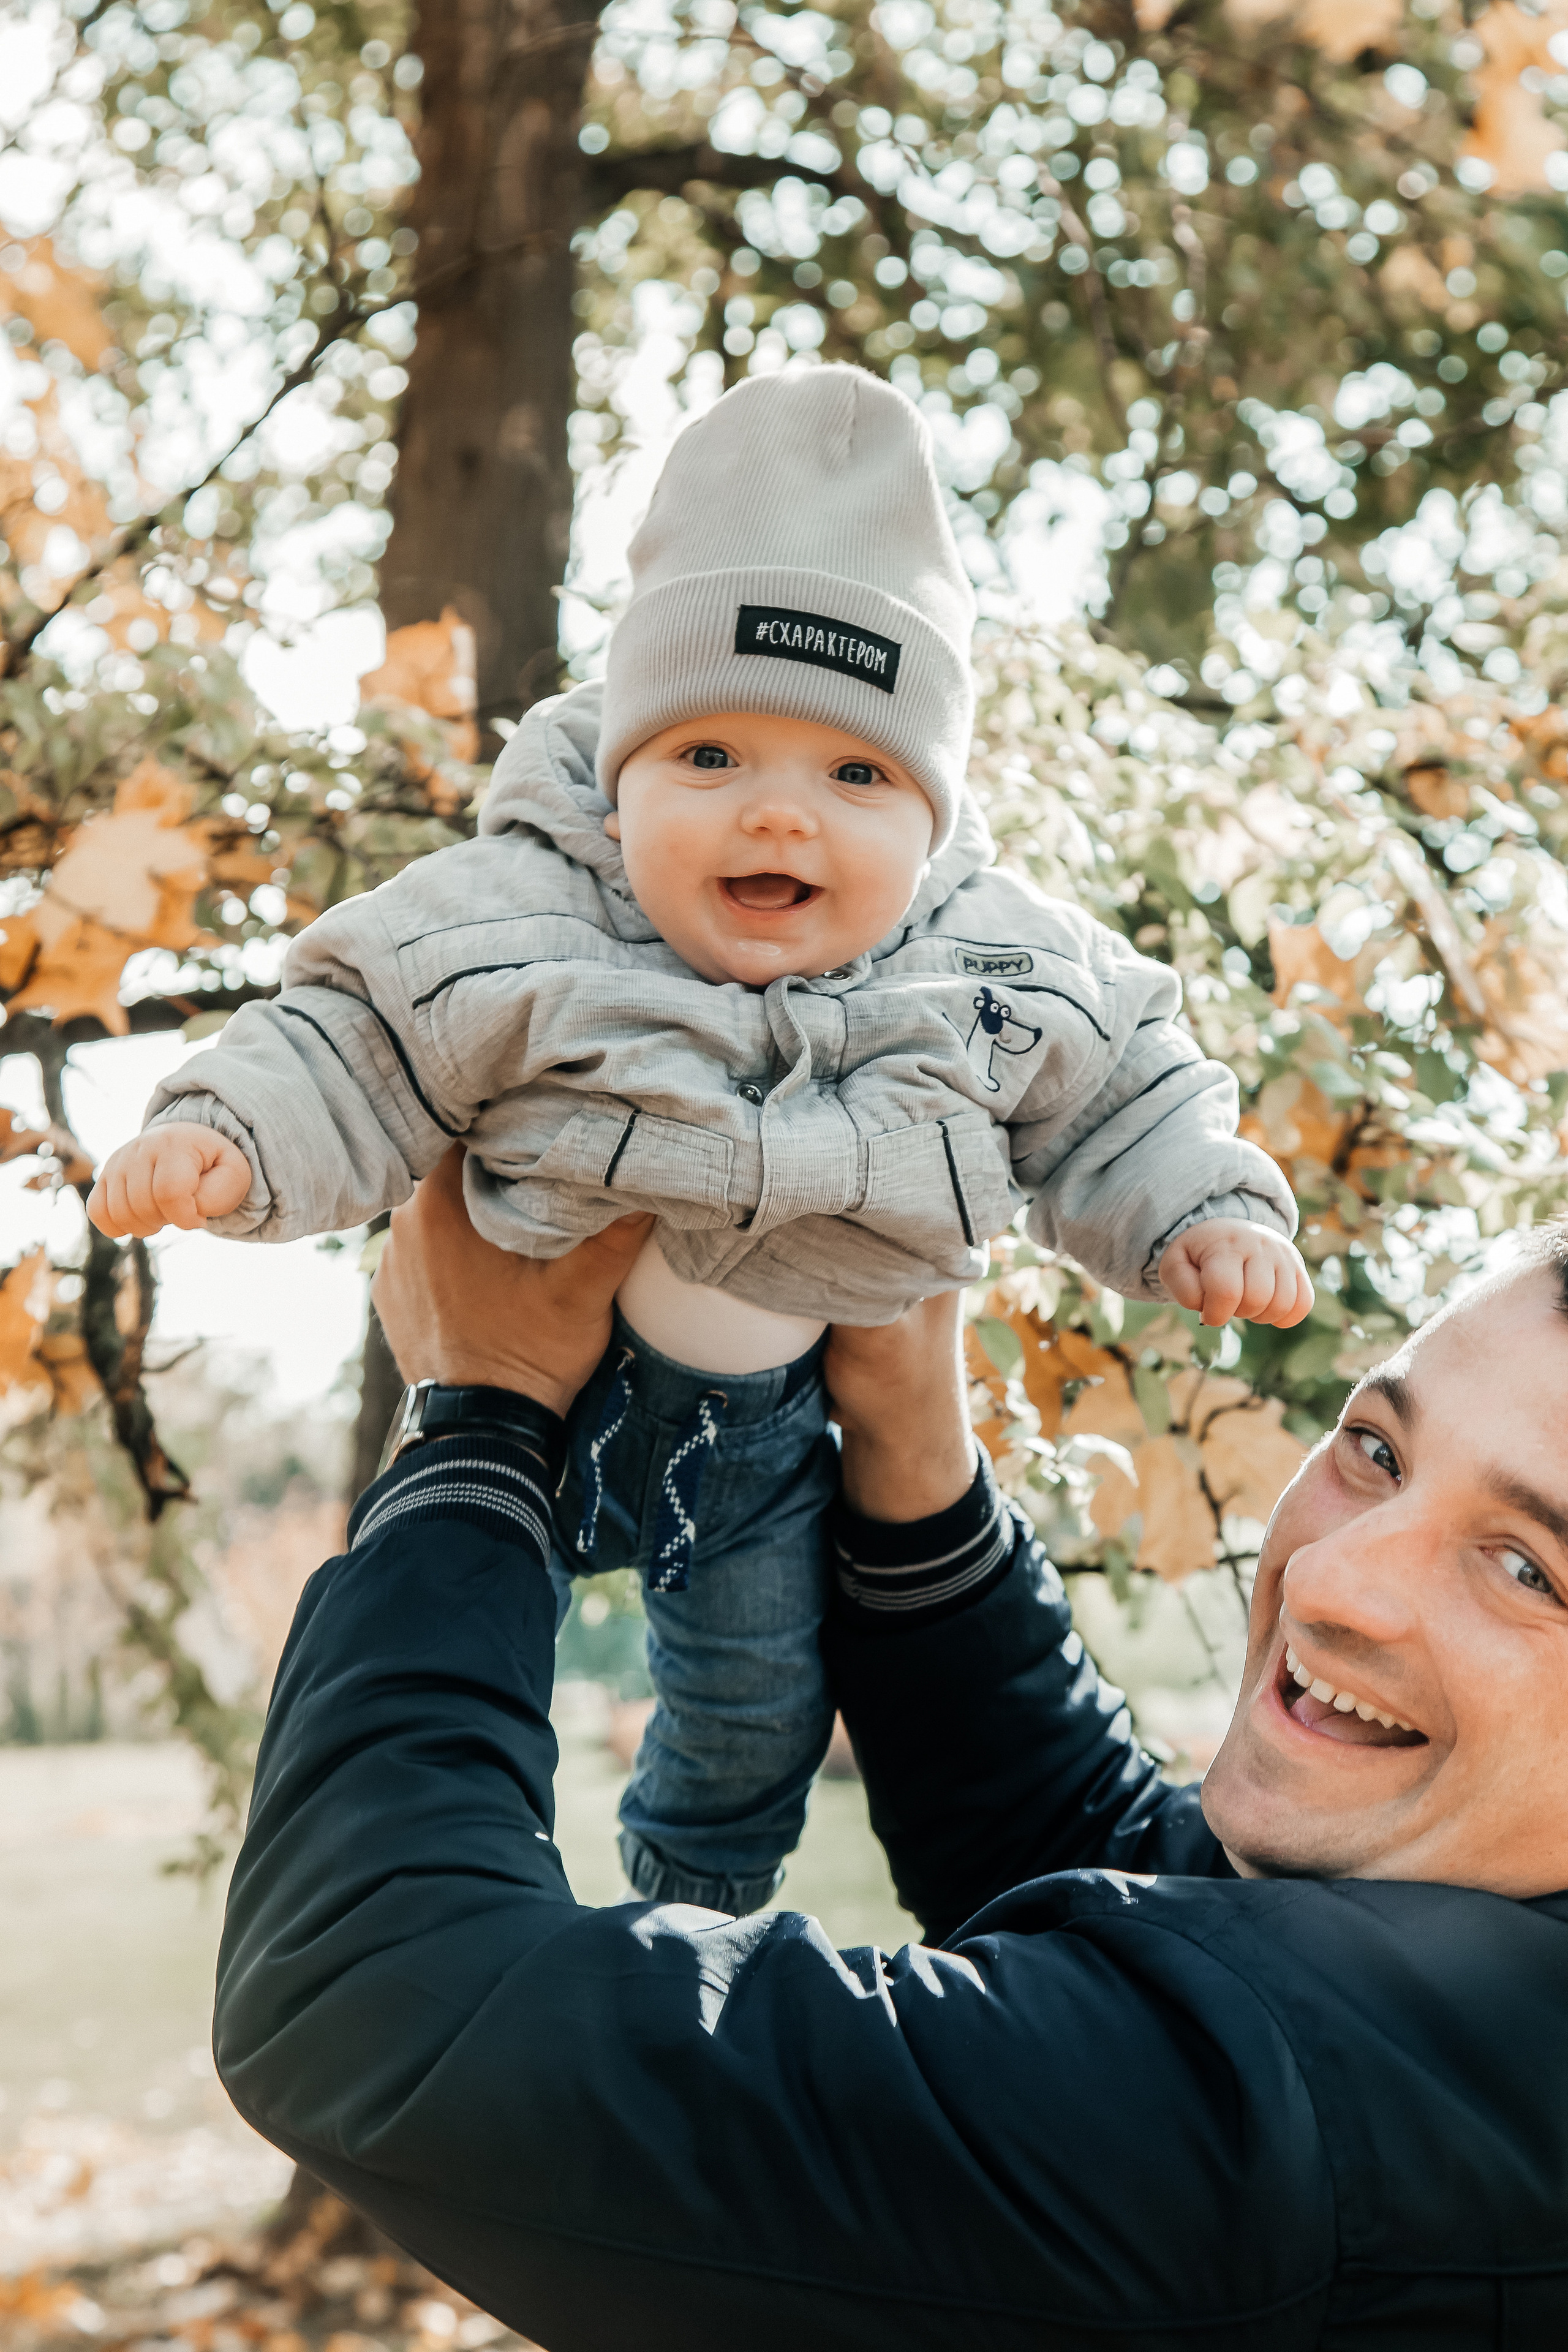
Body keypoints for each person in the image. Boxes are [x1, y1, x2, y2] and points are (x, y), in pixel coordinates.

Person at [93, 366, 1309, 1917]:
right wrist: (230, 1132)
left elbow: (1128, 1082)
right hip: (527, 1392)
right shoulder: (521, 912)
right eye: (710, 758)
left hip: (768, 1448)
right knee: (449, 1630)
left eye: (856, 773)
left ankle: (687, 1918)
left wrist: (1199, 1210)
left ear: (931, 816)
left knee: (754, 1720)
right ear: (620, 780)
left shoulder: (996, 964)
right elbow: (356, 1030)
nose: (778, 816)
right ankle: (432, 1901)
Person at [211, 1152, 1568, 2346]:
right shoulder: (1469, 1978)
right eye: (1376, 1450)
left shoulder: (1282, 2131)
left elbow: (375, 1997)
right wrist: (914, 1449)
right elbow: (1139, 1883)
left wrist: (483, 1424)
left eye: (1525, 1569)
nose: (1330, 1579)